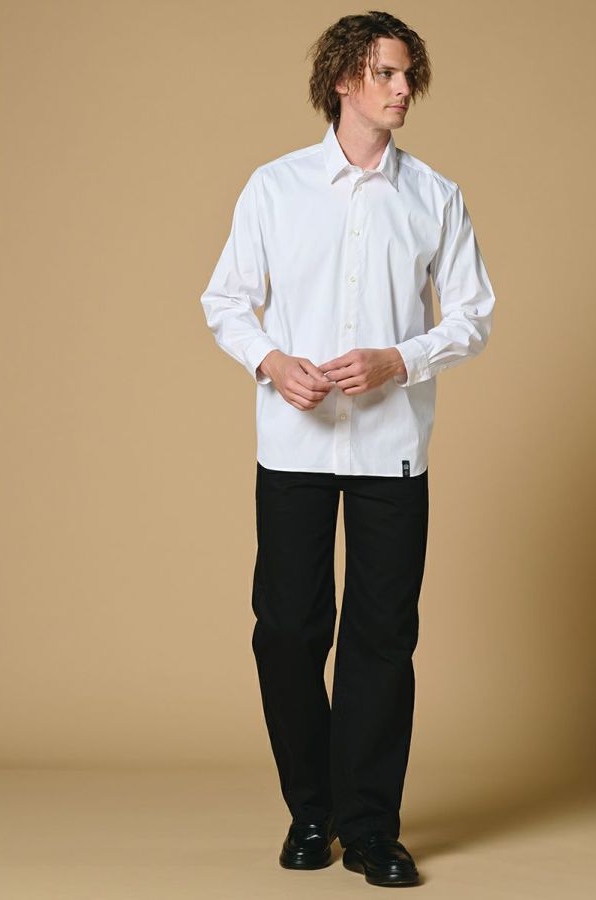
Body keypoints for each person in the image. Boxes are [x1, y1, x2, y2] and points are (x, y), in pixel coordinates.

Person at [200, 10, 496, 888]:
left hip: (392, 451)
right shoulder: (275, 187)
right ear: (341, 80)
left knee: (381, 640)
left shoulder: (435, 196)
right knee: (288, 632)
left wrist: (399, 359)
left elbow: (473, 316)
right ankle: (312, 810)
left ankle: (369, 829)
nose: (403, 90)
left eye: (408, 75)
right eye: (385, 74)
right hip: (294, 444)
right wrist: (270, 360)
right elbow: (225, 301)